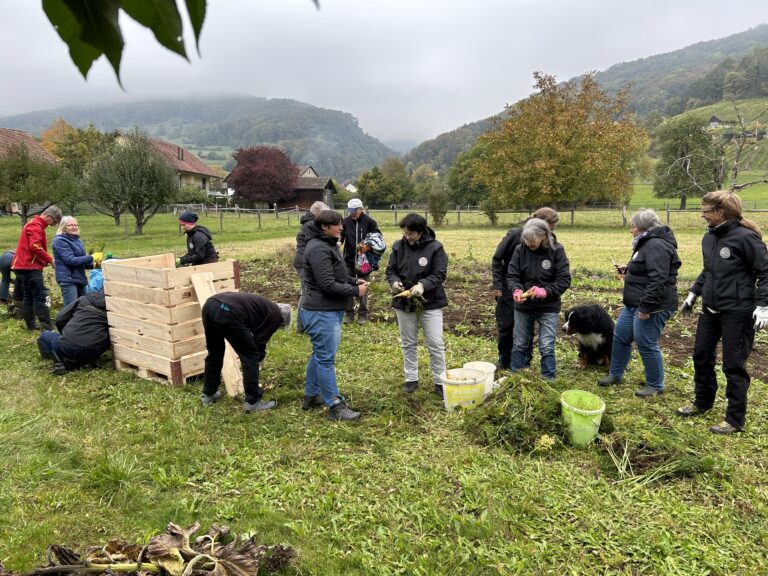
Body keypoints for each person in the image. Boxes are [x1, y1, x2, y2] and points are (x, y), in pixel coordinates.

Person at [677, 191, 768, 434]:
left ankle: (735, 419)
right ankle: (702, 402)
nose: (702, 215)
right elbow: (709, 271)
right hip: (710, 308)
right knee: (701, 355)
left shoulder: (746, 238)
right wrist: (694, 294)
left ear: (722, 212)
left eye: (706, 211)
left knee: (733, 365)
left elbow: (765, 272)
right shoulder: (709, 237)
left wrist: (763, 306)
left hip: (737, 312)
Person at [598, 209, 681, 397]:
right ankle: (615, 374)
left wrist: (646, 307)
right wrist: (629, 269)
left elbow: (658, 279)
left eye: (633, 226)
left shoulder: (656, 245)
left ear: (644, 227)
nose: (631, 230)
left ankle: (655, 385)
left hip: (652, 306)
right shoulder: (646, 243)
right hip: (634, 303)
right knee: (620, 336)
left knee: (646, 342)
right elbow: (646, 269)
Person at [301, 209, 367, 420]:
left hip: (326, 310)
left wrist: (353, 281)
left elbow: (336, 275)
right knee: (326, 359)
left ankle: (312, 395)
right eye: (337, 225)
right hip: (321, 311)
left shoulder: (325, 244)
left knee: (319, 354)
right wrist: (356, 292)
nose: (341, 227)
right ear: (324, 227)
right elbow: (327, 285)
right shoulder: (318, 249)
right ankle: (335, 405)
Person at [386, 213, 449, 395]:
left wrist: (423, 285)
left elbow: (440, 273)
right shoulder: (398, 246)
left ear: (421, 232)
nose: (407, 236)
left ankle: (439, 380)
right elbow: (391, 270)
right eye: (405, 233)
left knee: (435, 343)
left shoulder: (435, 247)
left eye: (411, 233)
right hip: (404, 301)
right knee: (408, 342)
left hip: (430, 301)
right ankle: (411, 378)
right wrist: (394, 282)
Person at [492, 207, 560, 370]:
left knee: (525, 327)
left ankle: (525, 361)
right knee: (507, 325)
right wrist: (498, 286)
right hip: (511, 286)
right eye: (551, 228)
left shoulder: (548, 240)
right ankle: (504, 359)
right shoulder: (515, 235)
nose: (549, 233)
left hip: (530, 289)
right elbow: (497, 259)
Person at [199, 292, 291, 413]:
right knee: (250, 355)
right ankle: (253, 401)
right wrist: (259, 357)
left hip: (210, 305)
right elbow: (259, 341)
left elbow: (253, 331)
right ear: (283, 320)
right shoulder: (276, 316)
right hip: (227, 311)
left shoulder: (264, 308)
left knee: (215, 352)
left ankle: (209, 393)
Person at [506, 218, 572, 380]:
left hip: (548, 306)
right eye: (525, 240)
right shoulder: (519, 250)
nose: (528, 243)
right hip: (524, 307)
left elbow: (564, 280)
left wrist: (545, 291)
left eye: (532, 240)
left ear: (543, 236)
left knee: (546, 345)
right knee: (520, 343)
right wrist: (516, 289)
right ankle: (516, 377)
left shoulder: (557, 251)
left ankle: (549, 378)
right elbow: (512, 275)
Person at [36, 287, 110, 375]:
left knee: (44, 336)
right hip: (95, 351)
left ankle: (59, 361)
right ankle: (77, 360)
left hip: (69, 346)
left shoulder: (84, 299)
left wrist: (65, 334)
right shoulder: (115, 308)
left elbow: (60, 318)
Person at [12, 205, 62, 331]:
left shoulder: (34, 224)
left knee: (28, 295)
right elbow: (35, 246)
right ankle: (47, 326)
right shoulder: (36, 225)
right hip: (29, 267)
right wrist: (49, 259)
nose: (53, 225)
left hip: (23, 266)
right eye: (54, 222)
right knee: (42, 295)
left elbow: (32, 249)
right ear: (48, 216)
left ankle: (31, 325)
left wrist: (41, 261)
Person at [340, 198, 380, 324]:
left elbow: (377, 239)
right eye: (350, 211)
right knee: (347, 286)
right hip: (348, 259)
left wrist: (366, 246)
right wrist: (338, 242)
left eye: (354, 211)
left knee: (363, 285)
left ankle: (363, 314)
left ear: (360, 209)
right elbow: (341, 237)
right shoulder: (345, 222)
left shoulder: (370, 222)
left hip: (364, 260)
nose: (352, 213)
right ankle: (349, 313)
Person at [294, 201, 329, 334]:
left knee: (308, 292)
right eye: (325, 213)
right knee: (307, 293)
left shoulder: (309, 223)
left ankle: (307, 325)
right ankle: (301, 327)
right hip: (304, 263)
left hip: (305, 262)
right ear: (318, 212)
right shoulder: (311, 225)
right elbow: (316, 244)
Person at [52, 216, 98, 308]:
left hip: (79, 278)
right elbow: (70, 260)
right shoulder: (60, 240)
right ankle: (66, 322)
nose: (74, 227)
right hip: (68, 279)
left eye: (76, 225)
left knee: (84, 306)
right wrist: (91, 257)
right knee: (71, 308)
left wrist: (95, 264)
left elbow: (81, 261)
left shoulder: (78, 240)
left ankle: (80, 322)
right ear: (63, 227)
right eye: (71, 225)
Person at [0, 249, 21, 318]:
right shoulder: (20, 252)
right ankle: (18, 301)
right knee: (20, 279)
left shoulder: (7, 252)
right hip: (13, 258)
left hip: (2, 259)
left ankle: (3, 300)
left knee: (4, 280)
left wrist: (12, 281)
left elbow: (6, 279)